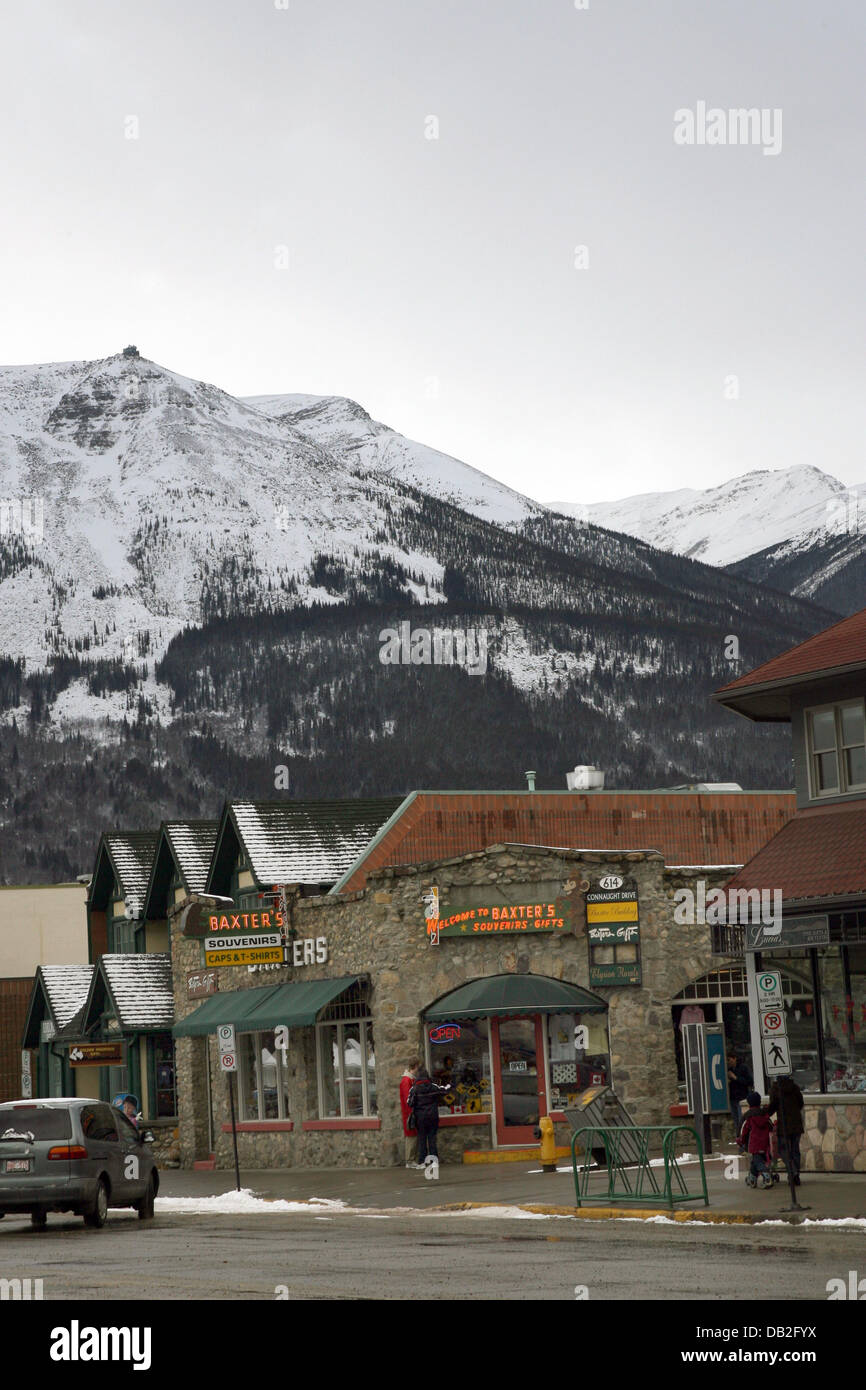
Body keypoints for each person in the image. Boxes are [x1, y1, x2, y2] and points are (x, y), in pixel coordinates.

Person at [407, 1067, 453, 1180]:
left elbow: (409, 1102)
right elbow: (444, 1090)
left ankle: (422, 1161)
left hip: (420, 1118)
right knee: (432, 1138)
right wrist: (450, 1084)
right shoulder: (433, 1087)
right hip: (432, 1116)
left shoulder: (414, 1089)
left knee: (422, 1139)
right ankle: (434, 1162)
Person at [767, 1074, 805, 1186]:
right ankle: (795, 1174)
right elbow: (800, 1103)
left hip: (784, 1126)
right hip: (796, 1124)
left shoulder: (775, 1089)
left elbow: (773, 1106)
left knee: (784, 1150)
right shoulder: (795, 1087)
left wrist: (764, 1113)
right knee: (795, 1150)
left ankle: (792, 1171)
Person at [737, 1090, 774, 1188]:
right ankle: (752, 1178)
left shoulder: (747, 1116)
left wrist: (741, 1141)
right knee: (755, 1161)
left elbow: (743, 1131)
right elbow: (771, 1126)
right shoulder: (764, 1114)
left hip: (754, 1143)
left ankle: (766, 1176)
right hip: (765, 1143)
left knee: (758, 1162)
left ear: (749, 1103)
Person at [399, 1058, 422, 1168]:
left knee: (413, 1136)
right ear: (415, 1066)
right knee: (411, 1137)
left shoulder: (409, 1080)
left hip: (410, 1113)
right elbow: (408, 1099)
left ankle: (411, 1159)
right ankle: (409, 1160)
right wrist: (412, 1112)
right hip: (410, 1114)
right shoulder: (407, 1081)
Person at [727, 1052, 752, 1133]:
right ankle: (739, 1137)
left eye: (729, 1060)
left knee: (741, 1119)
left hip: (741, 1097)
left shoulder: (743, 1068)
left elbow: (749, 1082)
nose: (728, 1062)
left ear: (734, 1058)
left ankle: (743, 1136)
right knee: (736, 1120)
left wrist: (735, 1078)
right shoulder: (728, 1070)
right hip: (732, 1098)